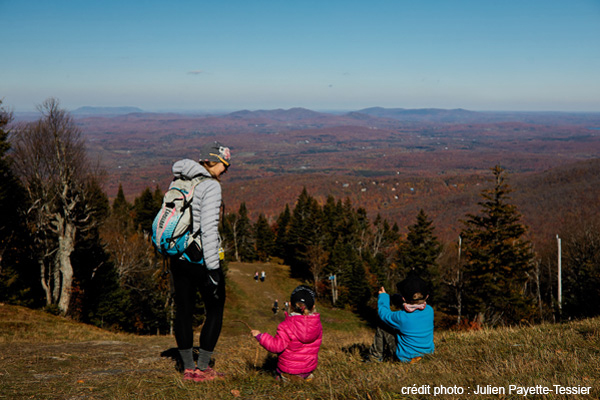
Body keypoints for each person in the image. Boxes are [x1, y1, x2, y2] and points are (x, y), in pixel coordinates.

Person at [169, 141, 231, 382]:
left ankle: (186, 366)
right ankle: (202, 368)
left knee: (183, 311)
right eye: (225, 166)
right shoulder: (211, 186)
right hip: (200, 259)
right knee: (214, 309)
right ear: (215, 162)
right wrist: (213, 269)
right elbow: (207, 229)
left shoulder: (180, 179)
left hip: (177, 256)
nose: (225, 172)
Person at [251, 285, 322, 382]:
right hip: (308, 369)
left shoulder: (286, 326)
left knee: (275, 375)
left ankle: (286, 378)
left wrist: (260, 336)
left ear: (290, 305)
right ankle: (305, 377)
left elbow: (276, 347)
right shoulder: (317, 325)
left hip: (288, 371)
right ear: (313, 307)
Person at [368, 272, 434, 363]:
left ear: (404, 298)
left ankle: (375, 358)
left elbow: (383, 314)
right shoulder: (430, 311)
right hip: (426, 355)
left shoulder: (401, 317)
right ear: (427, 296)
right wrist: (397, 299)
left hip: (406, 359)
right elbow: (413, 307)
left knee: (382, 325)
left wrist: (383, 297)